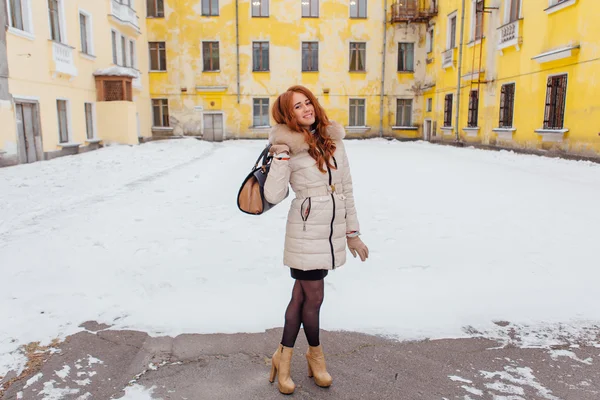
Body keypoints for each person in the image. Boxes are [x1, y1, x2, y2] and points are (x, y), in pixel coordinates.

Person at [263, 85, 369, 394]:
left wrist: (353, 234)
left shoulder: (331, 138)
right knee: (314, 297)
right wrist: (281, 158)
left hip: (332, 230)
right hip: (307, 231)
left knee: (301, 297)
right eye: (297, 106)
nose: (306, 109)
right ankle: (314, 357)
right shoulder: (285, 145)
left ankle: (282, 358)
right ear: (288, 114)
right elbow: (273, 194)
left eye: (308, 102)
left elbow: (346, 188)